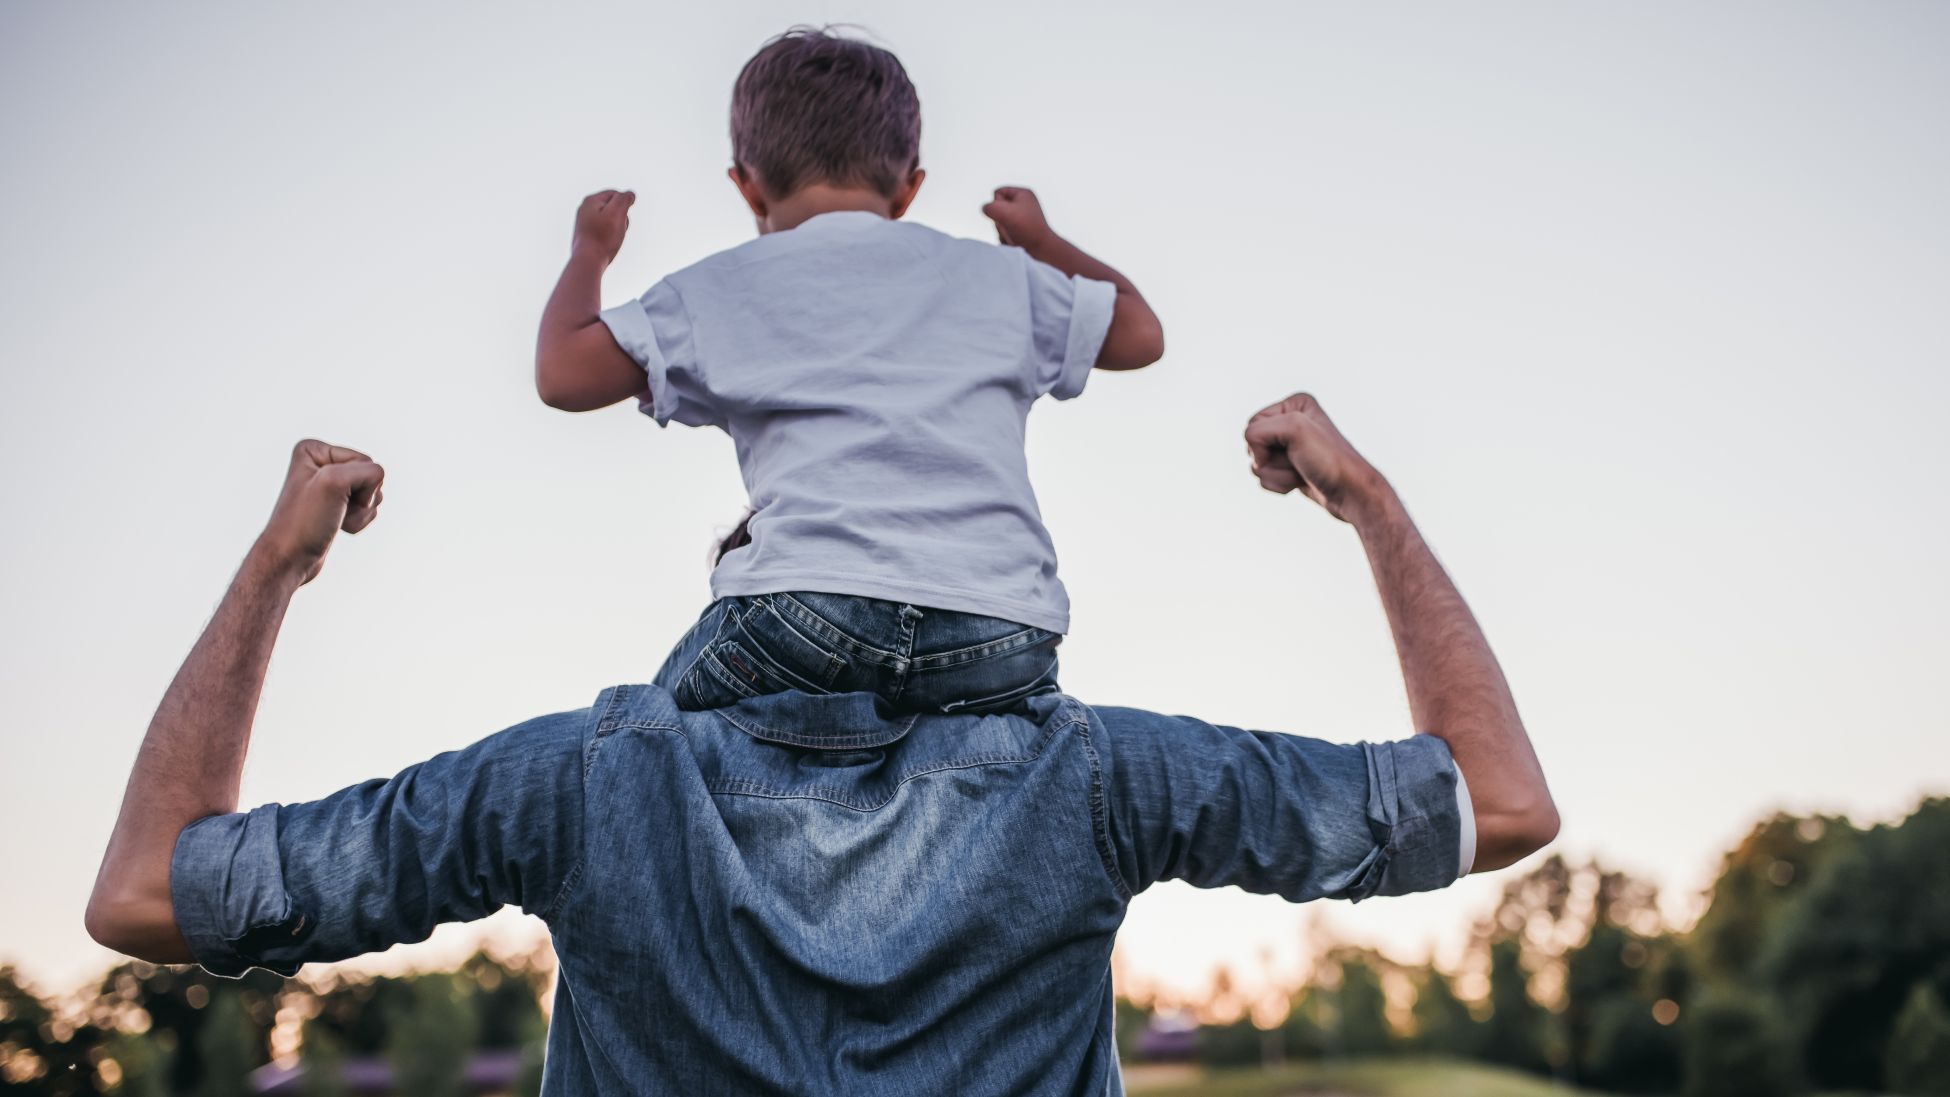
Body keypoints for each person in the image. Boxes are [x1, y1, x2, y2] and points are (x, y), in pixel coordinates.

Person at [85, 394, 1557, 1096]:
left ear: (738, 587)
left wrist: (277, 567)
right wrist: (1367, 502)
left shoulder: (578, 784)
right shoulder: (1093, 777)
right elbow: (1496, 800)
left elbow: (148, 891)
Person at [533, 27, 1166, 716]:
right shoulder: (999, 276)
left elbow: (563, 374)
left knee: (647, 734)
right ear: (910, 188)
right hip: (1002, 630)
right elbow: (1140, 334)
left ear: (747, 187)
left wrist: (590, 251)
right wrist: (1041, 242)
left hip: (809, 614)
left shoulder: (723, 286)